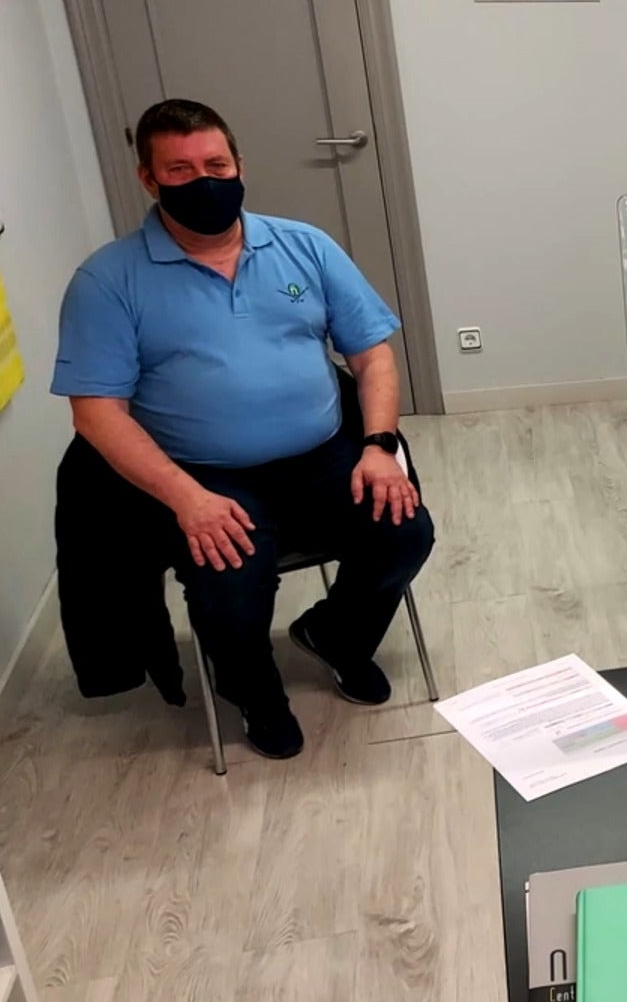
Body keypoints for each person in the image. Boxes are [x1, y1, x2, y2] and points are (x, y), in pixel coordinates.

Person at [51, 99, 433, 760]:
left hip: (322, 455)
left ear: (239, 166)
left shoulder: (303, 246)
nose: (204, 181)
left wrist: (379, 446)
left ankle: (336, 636)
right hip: (201, 475)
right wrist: (185, 499)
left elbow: (372, 356)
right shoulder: (107, 281)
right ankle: (255, 693)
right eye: (180, 170)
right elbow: (96, 414)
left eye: (216, 165)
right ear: (148, 178)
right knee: (229, 583)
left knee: (405, 533)